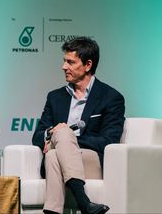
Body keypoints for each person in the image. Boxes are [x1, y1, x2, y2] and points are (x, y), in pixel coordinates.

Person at [32, 36, 125, 214]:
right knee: (52, 155)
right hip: (62, 158)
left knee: (60, 141)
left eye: (70, 62)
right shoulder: (55, 97)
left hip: (91, 161)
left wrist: (66, 136)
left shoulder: (111, 98)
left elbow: (109, 141)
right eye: (64, 61)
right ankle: (84, 202)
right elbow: (37, 136)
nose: (63, 67)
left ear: (88, 65)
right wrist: (53, 133)